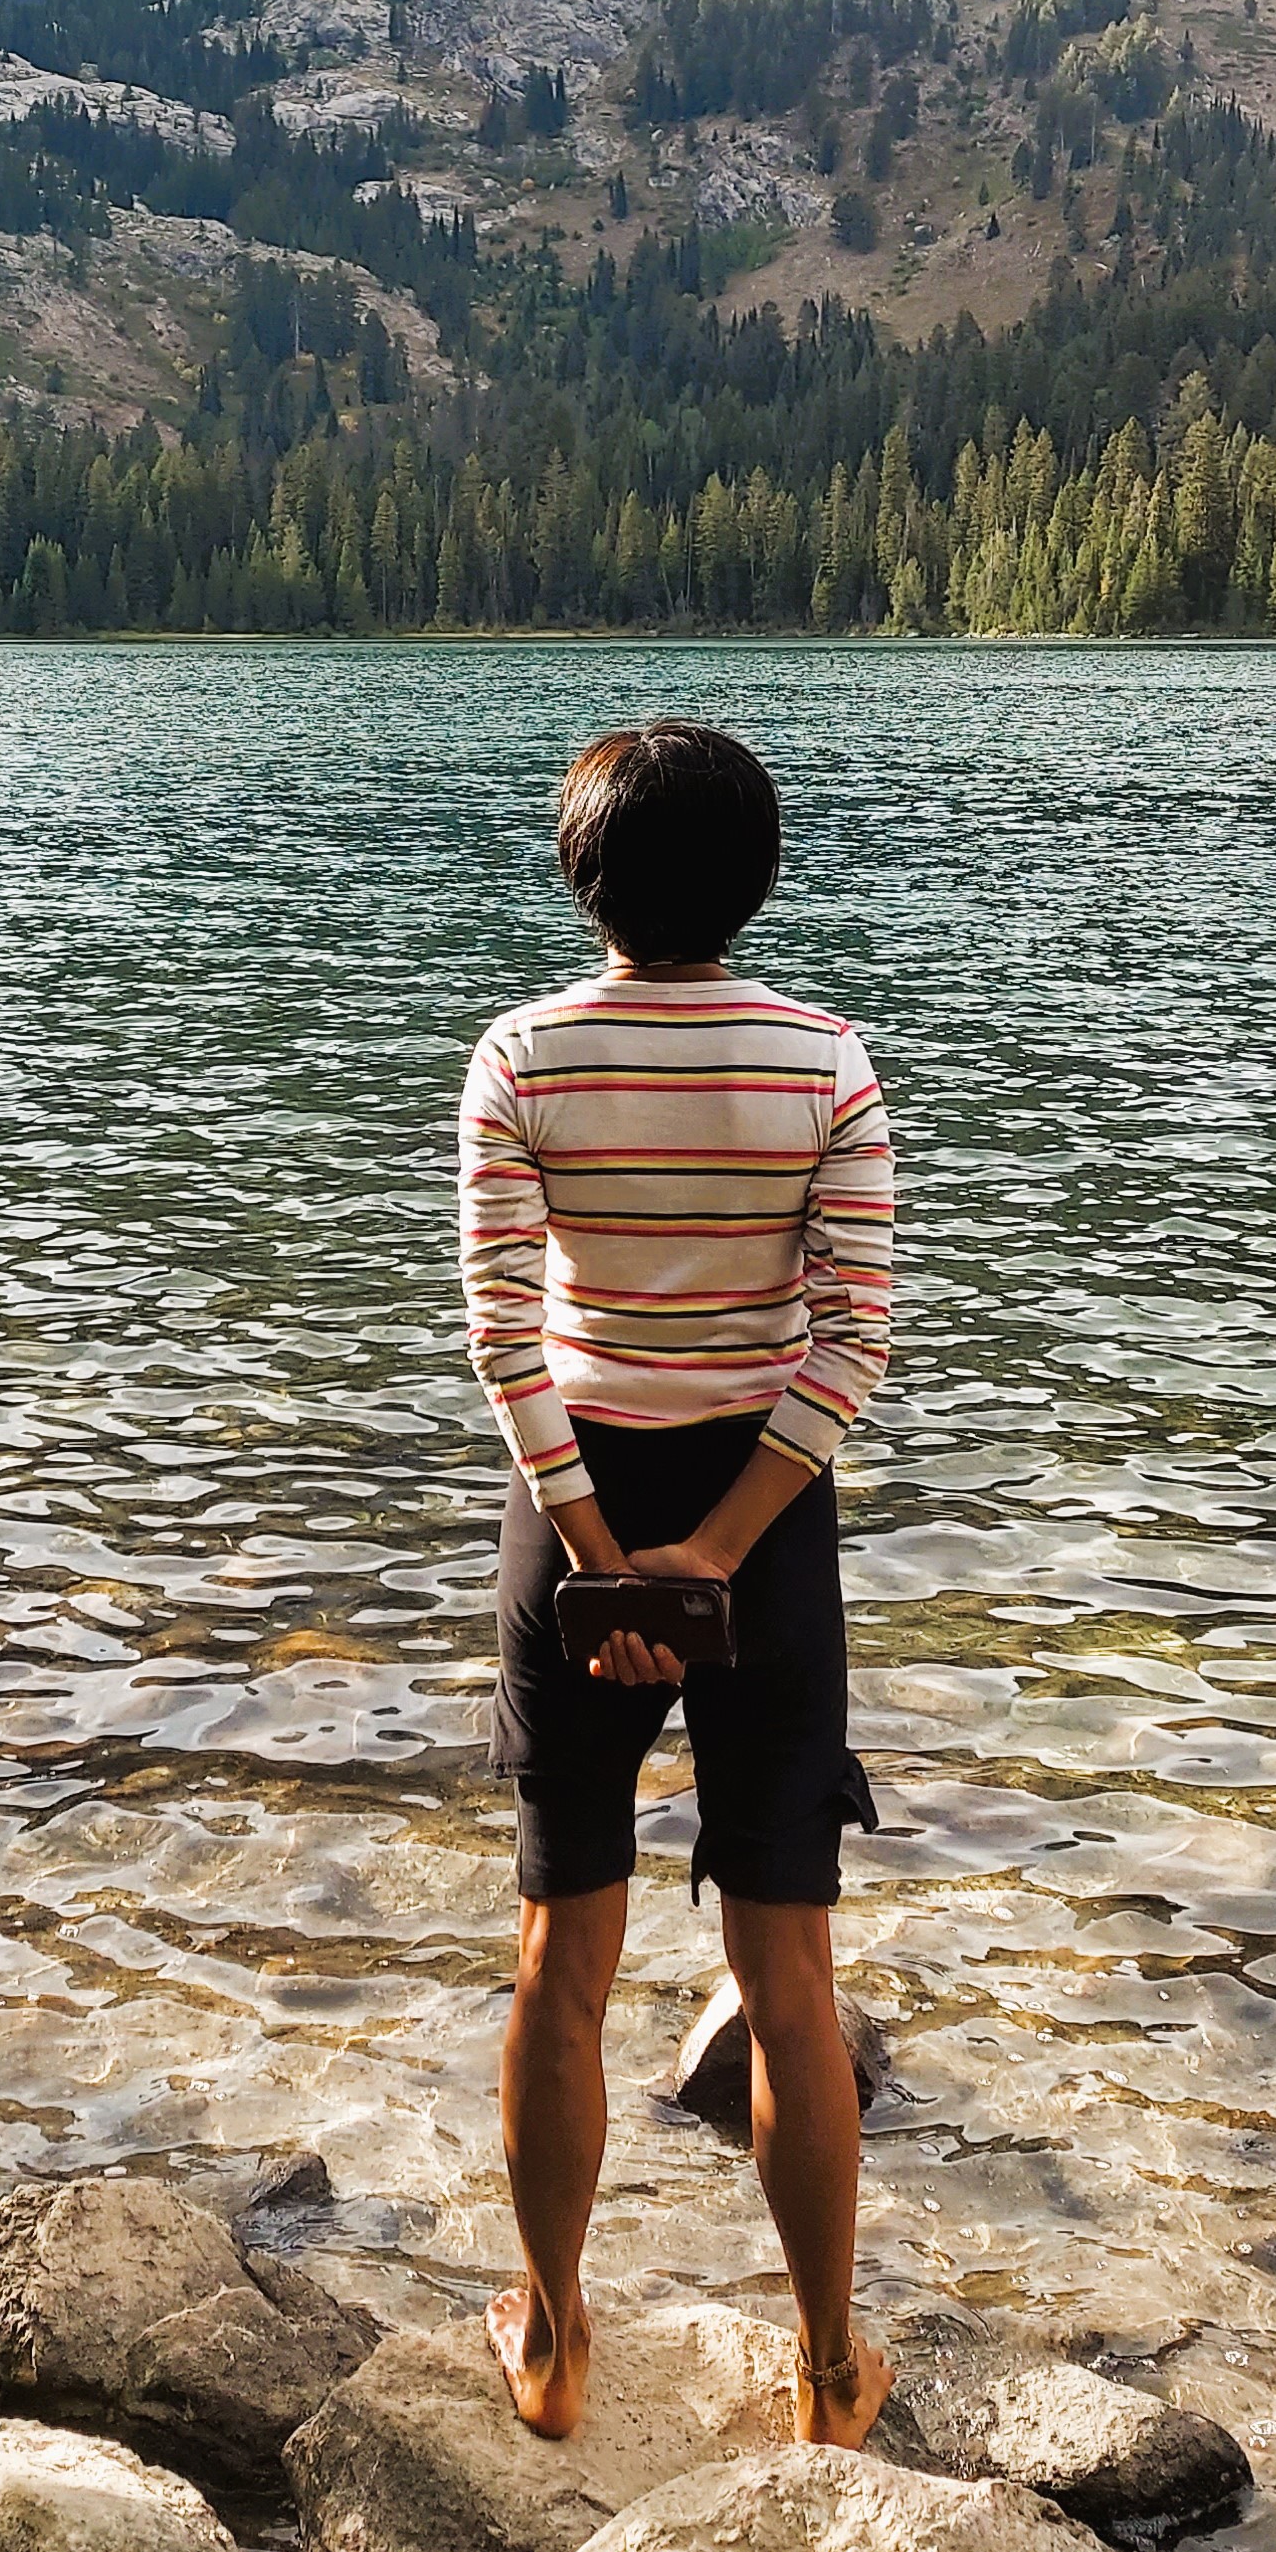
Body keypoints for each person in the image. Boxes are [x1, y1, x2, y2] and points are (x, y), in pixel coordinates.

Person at [457, 717, 897, 2451]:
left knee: (565, 1946)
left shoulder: (522, 1058)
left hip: (570, 1502)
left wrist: (590, 1543)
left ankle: (558, 2344)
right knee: (788, 1972)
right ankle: (825, 2377)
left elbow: (503, 1338)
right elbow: (851, 1347)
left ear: (586, 879)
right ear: (758, 881)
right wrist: (713, 1553)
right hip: (764, 1518)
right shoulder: (825, 1066)